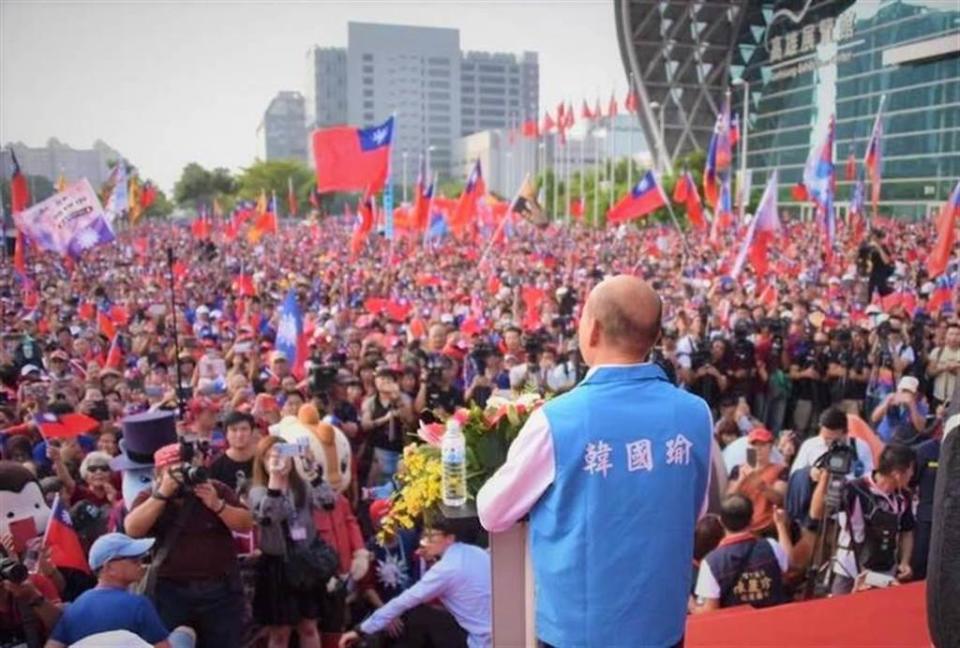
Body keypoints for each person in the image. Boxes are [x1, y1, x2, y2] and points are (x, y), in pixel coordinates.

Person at [477, 275, 713, 648]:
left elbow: (492, 512)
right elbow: (696, 510)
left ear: (594, 330)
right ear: (653, 339)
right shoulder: (696, 413)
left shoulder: (558, 419)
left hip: (577, 632)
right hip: (662, 625)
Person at [123, 442, 253, 648]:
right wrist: (162, 494)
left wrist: (217, 505)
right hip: (171, 591)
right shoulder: (149, 496)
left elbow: (246, 524)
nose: (183, 475)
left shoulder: (215, 488)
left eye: (186, 467)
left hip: (219, 589)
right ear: (159, 473)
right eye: (176, 470)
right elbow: (132, 528)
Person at [340, 514, 491, 648]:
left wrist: (361, 629)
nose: (425, 542)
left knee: (418, 615)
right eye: (424, 536)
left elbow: (404, 601)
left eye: (431, 537)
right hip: (494, 629)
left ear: (449, 539)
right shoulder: (474, 551)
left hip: (482, 640)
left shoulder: (446, 570)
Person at [248, 435, 339, 648]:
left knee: (309, 626)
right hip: (277, 565)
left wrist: (313, 472)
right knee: (280, 632)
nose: (278, 460)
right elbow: (271, 516)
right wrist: (274, 481)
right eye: (269, 457)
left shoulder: (302, 486)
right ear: (261, 462)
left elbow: (328, 503)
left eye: (282, 455)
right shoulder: (257, 490)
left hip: (306, 560)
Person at [44, 533, 196, 648]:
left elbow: (52, 645)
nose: (141, 563)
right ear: (109, 568)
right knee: (185, 633)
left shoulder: (76, 607)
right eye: (133, 559)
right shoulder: (138, 605)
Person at [809, 444, 917, 595]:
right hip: (849, 571)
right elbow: (816, 513)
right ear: (897, 473)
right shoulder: (855, 490)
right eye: (911, 469)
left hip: (884, 571)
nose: (912, 474)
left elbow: (907, 531)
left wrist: (905, 561)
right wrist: (826, 476)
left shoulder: (903, 497)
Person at [691, 495, 791, 612]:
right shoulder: (771, 546)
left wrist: (690, 604)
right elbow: (789, 562)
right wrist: (780, 525)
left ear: (721, 522)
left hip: (736, 628)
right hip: (774, 624)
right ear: (752, 520)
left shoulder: (710, 563)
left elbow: (710, 613)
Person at [726, 427, 788, 535]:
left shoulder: (781, 470)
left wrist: (760, 484)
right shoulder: (738, 469)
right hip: (739, 525)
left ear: (770, 447)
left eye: (762, 445)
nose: (758, 449)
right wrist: (741, 479)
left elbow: (779, 499)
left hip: (765, 527)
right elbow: (728, 499)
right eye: (754, 445)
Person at [790, 407, 874, 478]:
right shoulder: (810, 445)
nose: (829, 443)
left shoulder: (860, 447)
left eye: (834, 440)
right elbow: (794, 475)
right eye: (826, 438)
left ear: (845, 432)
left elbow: (869, 476)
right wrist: (809, 472)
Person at [208, 411, 257, 492]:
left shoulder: (263, 459)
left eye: (244, 429)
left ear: (251, 432)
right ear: (226, 434)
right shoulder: (216, 465)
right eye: (234, 430)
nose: (239, 435)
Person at [870, 376, 928, 443]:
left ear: (915, 394)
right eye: (903, 391)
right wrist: (886, 404)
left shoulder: (920, 405)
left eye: (908, 392)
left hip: (902, 443)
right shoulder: (890, 398)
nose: (904, 394)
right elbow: (874, 418)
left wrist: (912, 406)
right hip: (882, 437)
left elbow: (921, 428)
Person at [927, 322, 960, 409]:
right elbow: (930, 372)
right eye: (951, 334)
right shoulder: (937, 352)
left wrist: (954, 370)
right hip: (938, 398)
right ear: (946, 335)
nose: (954, 337)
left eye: (957, 334)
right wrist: (943, 368)